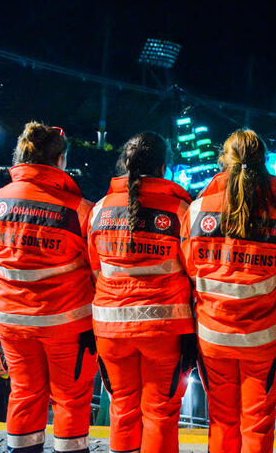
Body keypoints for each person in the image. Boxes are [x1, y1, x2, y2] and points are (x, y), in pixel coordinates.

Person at [181, 129, 276, 453]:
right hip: (263, 339)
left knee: (222, 422)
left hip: (213, 337)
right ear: (264, 163)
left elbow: (191, 270)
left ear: (223, 161)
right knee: (257, 423)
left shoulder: (196, 212)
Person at [0, 122, 97, 453]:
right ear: (60, 160)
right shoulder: (79, 210)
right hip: (67, 324)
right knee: (70, 399)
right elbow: (96, 270)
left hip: (10, 322)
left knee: (23, 391)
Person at [87, 132, 196, 453]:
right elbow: (193, 270)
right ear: (164, 167)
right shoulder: (181, 210)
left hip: (110, 330)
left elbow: (95, 269)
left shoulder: (99, 210)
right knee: (160, 412)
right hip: (164, 330)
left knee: (122, 408)